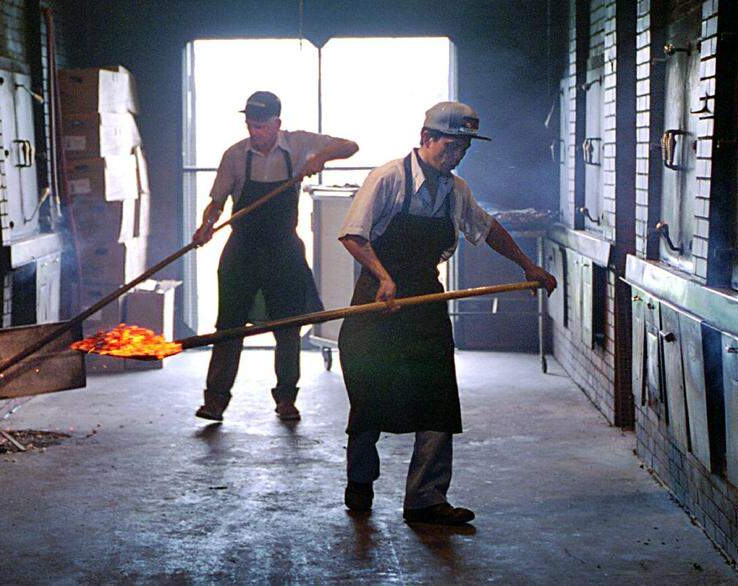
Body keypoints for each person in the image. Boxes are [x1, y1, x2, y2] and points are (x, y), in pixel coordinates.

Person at [336, 101, 557, 525]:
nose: (456, 155)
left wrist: (528, 266)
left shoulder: (456, 191)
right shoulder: (389, 178)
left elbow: (487, 229)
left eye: (463, 149)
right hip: (377, 303)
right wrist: (383, 277)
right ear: (426, 139)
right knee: (369, 396)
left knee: (438, 396)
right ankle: (360, 482)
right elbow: (353, 235)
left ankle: (426, 498)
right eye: (451, 146)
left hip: (424, 301)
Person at [192, 91, 359, 422]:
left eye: (262, 127)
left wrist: (320, 157)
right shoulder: (236, 155)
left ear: (277, 123)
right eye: (251, 126)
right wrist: (207, 224)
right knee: (229, 326)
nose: (256, 132)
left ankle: (286, 399)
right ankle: (215, 400)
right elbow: (217, 201)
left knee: (287, 326)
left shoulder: (297, 144)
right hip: (243, 248)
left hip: (283, 249)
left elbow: (350, 145)